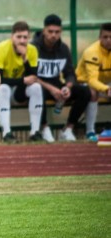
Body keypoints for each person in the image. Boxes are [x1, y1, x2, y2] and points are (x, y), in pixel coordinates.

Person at [31, 14, 91, 142]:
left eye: (57, 32)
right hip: (39, 85)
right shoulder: (33, 48)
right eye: (50, 31)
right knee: (36, 90)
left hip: (57, 85)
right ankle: (44, 129)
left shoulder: (63, 49)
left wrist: (67, 87)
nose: (54, 35)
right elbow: (30, 76)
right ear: (44, 31)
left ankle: (68, 129)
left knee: (85, 91)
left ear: (61, 32)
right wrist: (51, 89)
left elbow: (70, 73)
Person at [0, 21, 44, 142]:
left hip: (16, 91)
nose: (22, 41)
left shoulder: (32, 50)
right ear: (12, 37)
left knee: (36, 87)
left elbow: (33, 76)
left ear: (29, 38)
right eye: (18, 37)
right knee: (3, 88)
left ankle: (35, 132)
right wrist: (23, 80)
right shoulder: (2, 48)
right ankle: (7, 133)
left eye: (25, 37)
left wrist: (25, 59)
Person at [76, 22, 111, 142]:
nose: (108, 40)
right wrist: (107, 89)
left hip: (106, 83)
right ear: (99, 37)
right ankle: (90, 131)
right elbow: (92, 80)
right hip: (83, 83)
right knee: (93, 92)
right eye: (105, 37)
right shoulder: (92, 52)